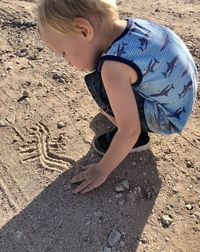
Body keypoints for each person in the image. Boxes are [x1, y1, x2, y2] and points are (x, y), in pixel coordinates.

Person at [37, 0, 198, 194]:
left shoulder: (113, 69)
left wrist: (101, 170)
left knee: (100, 82)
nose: (67, 61)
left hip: (167, 118)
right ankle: (128, 111)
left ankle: (139, 139)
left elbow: (129, 130)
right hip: (182, 100)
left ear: (84, 30)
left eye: (63, 53)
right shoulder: (132, 26)